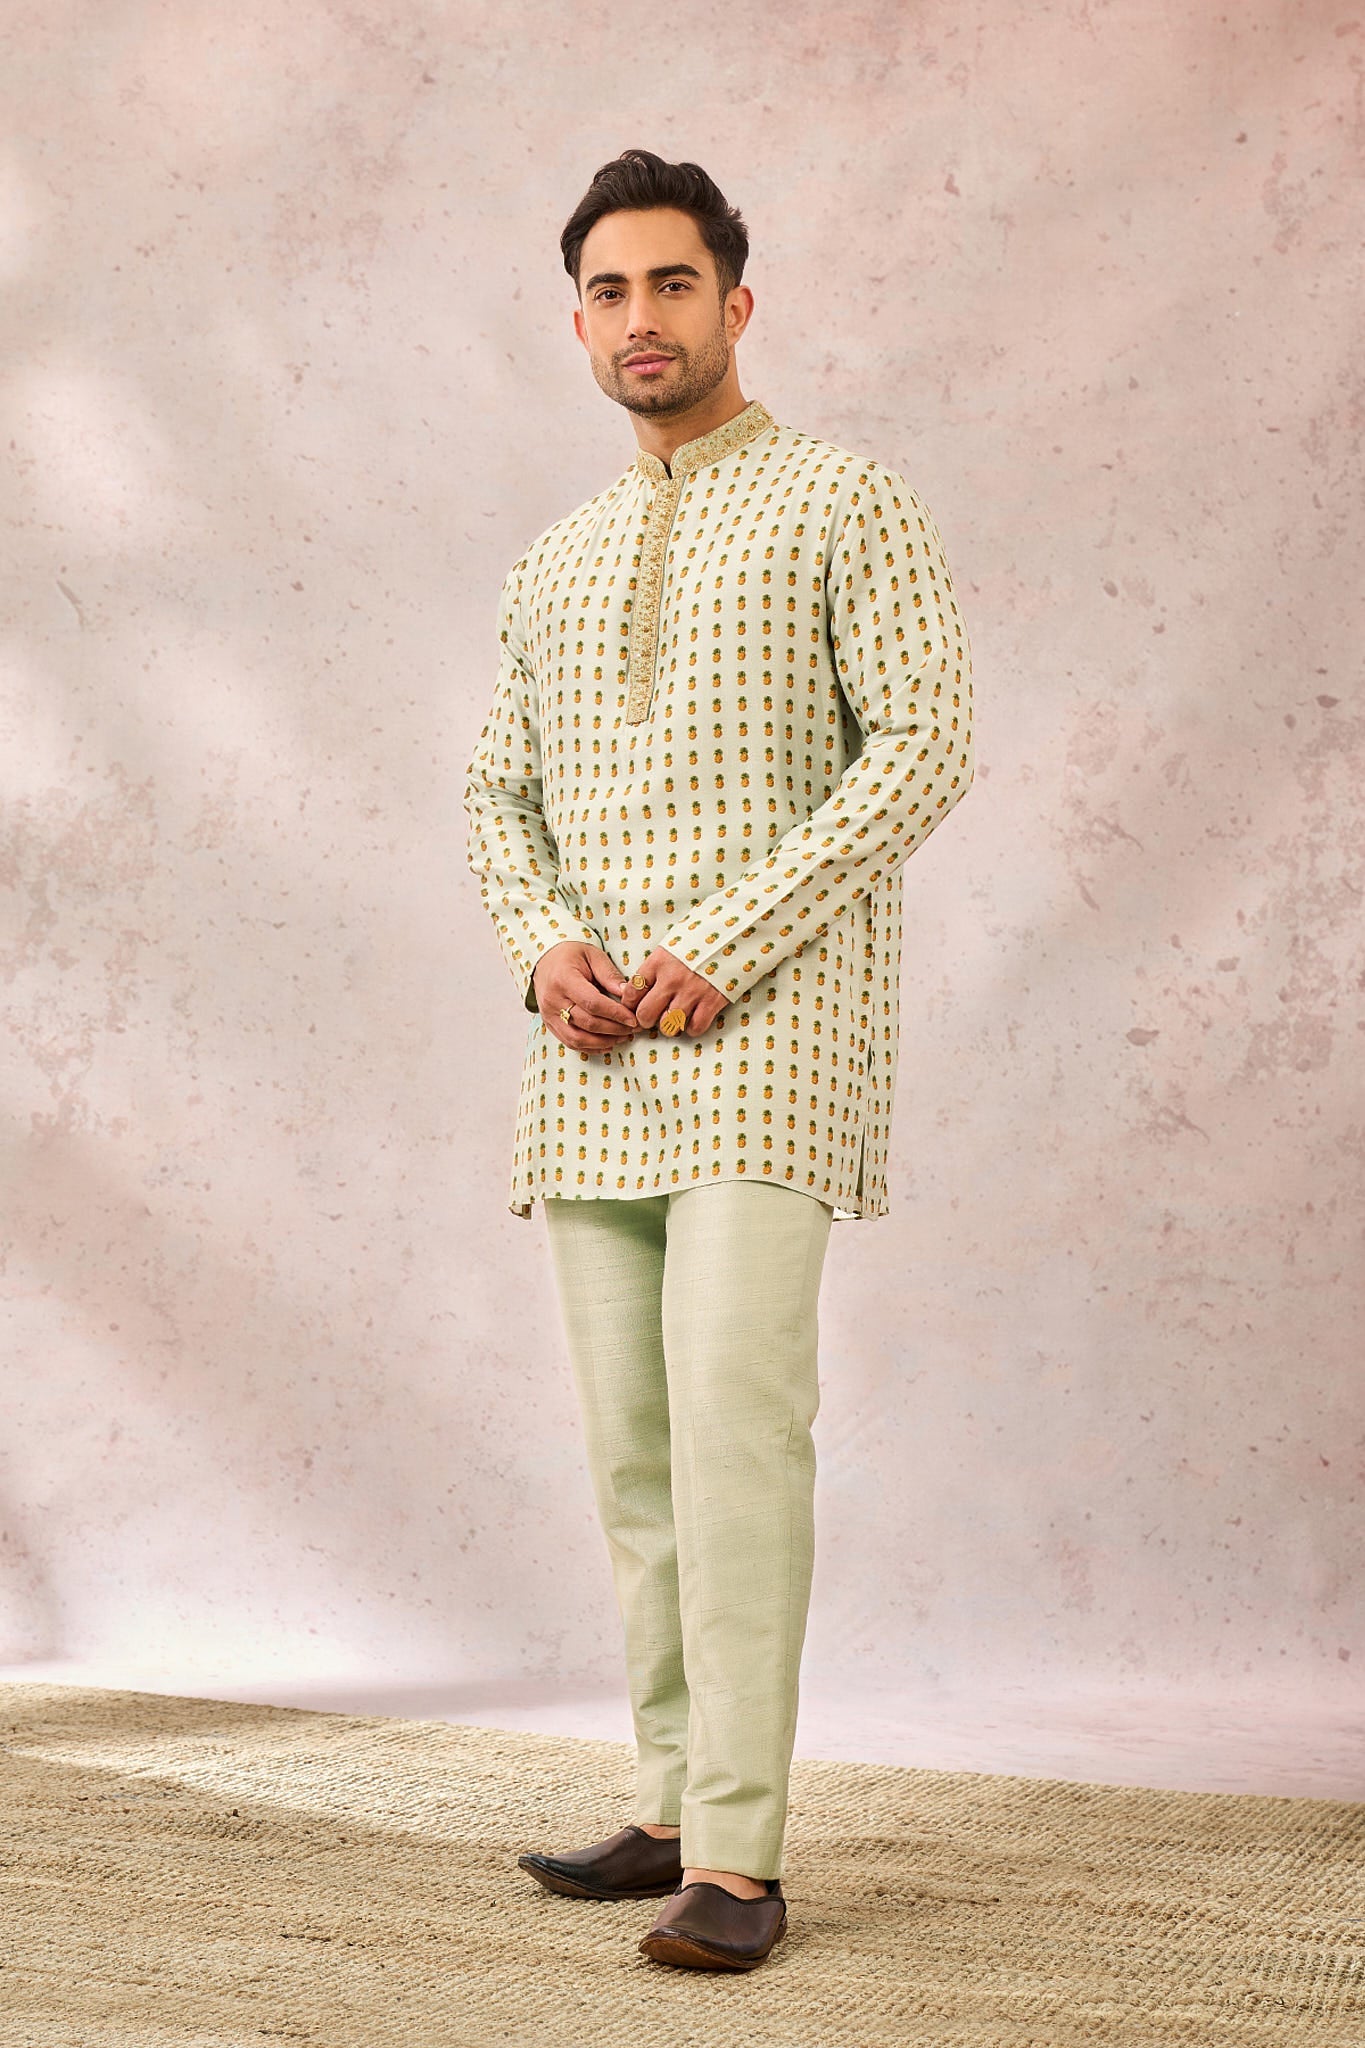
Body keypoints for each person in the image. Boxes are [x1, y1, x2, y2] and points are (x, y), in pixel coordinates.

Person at [463, 147, 975, 1974]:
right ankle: (675, 1804)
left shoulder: (845, 499)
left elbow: (921, 744)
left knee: (735, 1444)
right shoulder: (555, 554)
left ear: (734, 303)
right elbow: (495, 793)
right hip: (588, 1067)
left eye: (671, 284)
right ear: (577, 324)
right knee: (635, 1458)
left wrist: (721, 946)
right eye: (608, 291)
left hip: (768, 1051)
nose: (640, 318)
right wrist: (546, 954)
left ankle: (742, 1865)